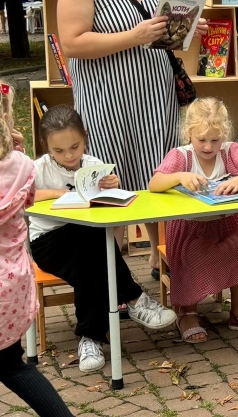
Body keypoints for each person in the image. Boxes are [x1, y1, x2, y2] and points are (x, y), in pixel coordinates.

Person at [56, 0, 207, 277]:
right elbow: (72, 42)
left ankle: (163, 263)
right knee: (109, 185)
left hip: (155, 94)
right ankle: (113, 280)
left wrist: (190, 29)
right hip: (106, 100)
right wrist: (132, 36)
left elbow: (165, 33)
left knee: (159, 176)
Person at [29, 105, 177, 372]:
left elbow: (110, 209)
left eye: (75, 146)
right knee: (91, 243)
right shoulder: (37, 169)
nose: (69, 155)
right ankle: (133, 297)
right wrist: (55, 194)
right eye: (59, 150)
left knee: (90, 252)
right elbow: (21, 195)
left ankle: (90, 337)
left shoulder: (95, 166)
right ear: (45, 146)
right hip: (48, 243)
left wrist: (114, 187)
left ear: (85, 136)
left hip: (89, 244)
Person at [149, 98, 238, 343]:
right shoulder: (181, 156)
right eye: (202, 139)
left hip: (227, 223)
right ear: (189, 133)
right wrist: (179, 176)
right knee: (194, 256)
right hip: (189, 229)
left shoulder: (230, 151)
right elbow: (154, 184)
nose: (209, 146)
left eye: (215, 139)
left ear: (224, 135)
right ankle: (187, 313)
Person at [0, 83, 73, 416]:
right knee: (12, 365)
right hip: (11, 289)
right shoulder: (23, 167)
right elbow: (27, 200)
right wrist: (15, 152)